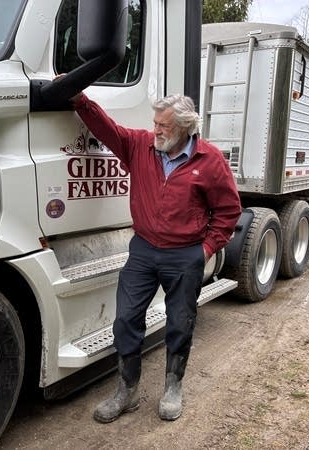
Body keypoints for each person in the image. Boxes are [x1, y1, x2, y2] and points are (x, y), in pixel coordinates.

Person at [69, 89, 242, 423]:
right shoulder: (140, 146)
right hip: (144, 251)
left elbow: (228, 212)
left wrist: (205, 251)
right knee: (125, 320)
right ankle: (127, 390)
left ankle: (173, 387)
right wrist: (81, 102)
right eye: (155, 123)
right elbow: (108, 129)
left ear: (184, 128)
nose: (156, 130)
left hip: (184, 256)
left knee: (180, 323)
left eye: (163, 126)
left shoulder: (209, 161)